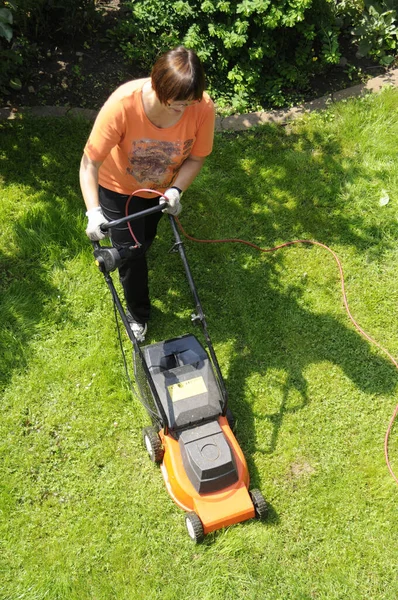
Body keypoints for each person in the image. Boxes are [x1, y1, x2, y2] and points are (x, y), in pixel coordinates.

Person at [80, 46, 216, 342]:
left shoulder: (202, 106)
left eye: (190, 103)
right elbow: (90, 163)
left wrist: (176, 189)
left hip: (159, 190)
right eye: (178, 104)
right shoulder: (123, 105)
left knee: (144, 239)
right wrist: (93, 212)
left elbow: (195, 158)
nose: (186, 110)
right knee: (131, 255)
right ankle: (138, 316)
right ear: (158, 87)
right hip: (118, 188)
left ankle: (137, 249)